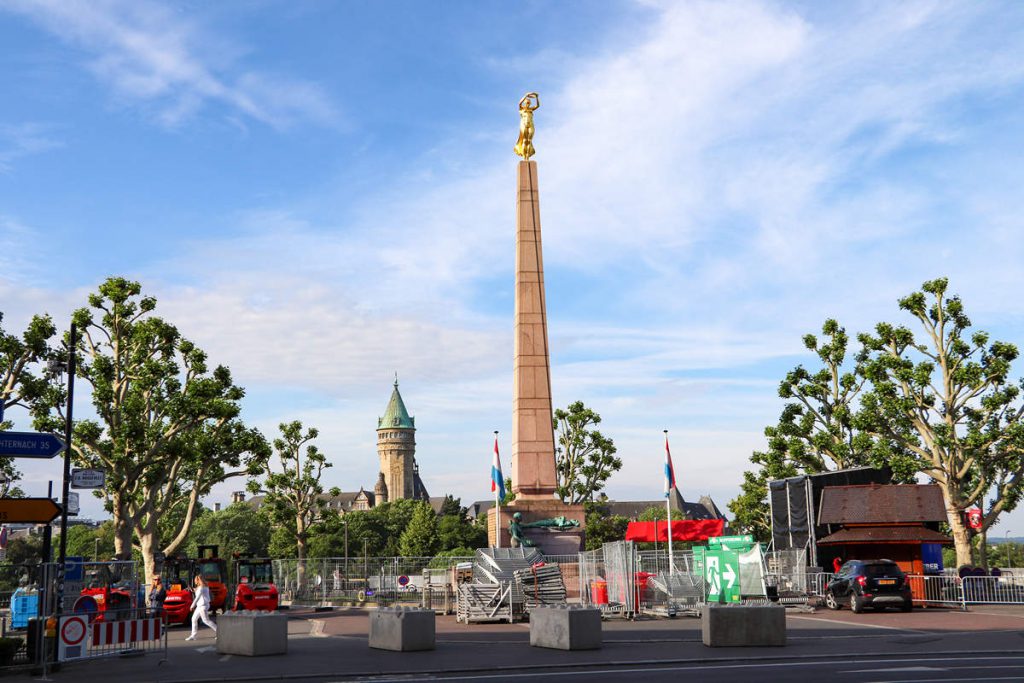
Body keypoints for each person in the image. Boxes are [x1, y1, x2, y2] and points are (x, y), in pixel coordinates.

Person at [186, 575, 217, 641]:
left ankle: (220, 632)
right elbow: (198, 591)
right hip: (200, 606)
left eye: (195, 580)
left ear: (198, 580)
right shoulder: (203, 586)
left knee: (206, 620)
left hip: (203, 606)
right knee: (194, 619)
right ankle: (193, 635)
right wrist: (192, 589)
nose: (195, 582)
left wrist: (192, 606)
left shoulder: (201, 588)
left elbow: (197, 597)